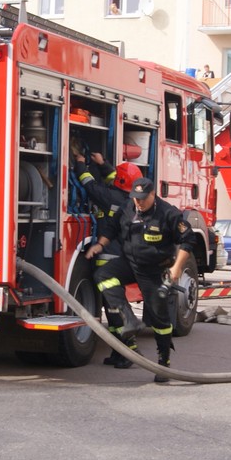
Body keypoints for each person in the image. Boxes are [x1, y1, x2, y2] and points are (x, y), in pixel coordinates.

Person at [87, 177, 200, 383]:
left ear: (152, 195)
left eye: (142, 199)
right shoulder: (128, 208)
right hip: (130, 263)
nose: (138, 203)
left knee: (159, 319)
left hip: (153, 270)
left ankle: (163, 362)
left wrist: (176, 269)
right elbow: (112, 227)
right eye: (135, 198)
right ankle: (128, 318)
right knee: (103, 275)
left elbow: (188, 240)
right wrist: (100, 245)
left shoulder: (168, 213)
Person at [73, 150, 143, 368]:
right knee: (111, 308)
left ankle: (128, 351)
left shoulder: (110, 197)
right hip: (121, 257)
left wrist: (81, 165)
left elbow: (89, 185)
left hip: (108, 259)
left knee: (113, 309)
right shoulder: (128, 198)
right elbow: (116, 177)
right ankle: (118, 351)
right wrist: (103, 164)